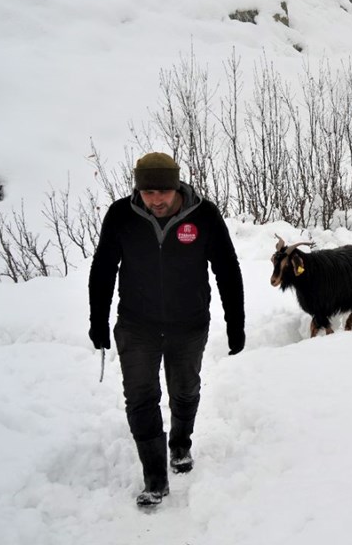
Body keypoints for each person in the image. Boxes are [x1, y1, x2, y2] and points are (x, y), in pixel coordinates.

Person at [88, 152, 245, 508]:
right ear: (138, 190)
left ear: (177, 187)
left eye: (163, 192)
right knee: (141, 397)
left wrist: (235, 322)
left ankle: (180, 444)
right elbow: (103, 268)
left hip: (188, 324)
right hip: (136, 324)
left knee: (184, 390)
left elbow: (227, 268)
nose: (156, 200)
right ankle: (155, 478)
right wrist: (97, 320)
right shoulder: (121, 216)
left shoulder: (204, 215)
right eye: (148, 192)